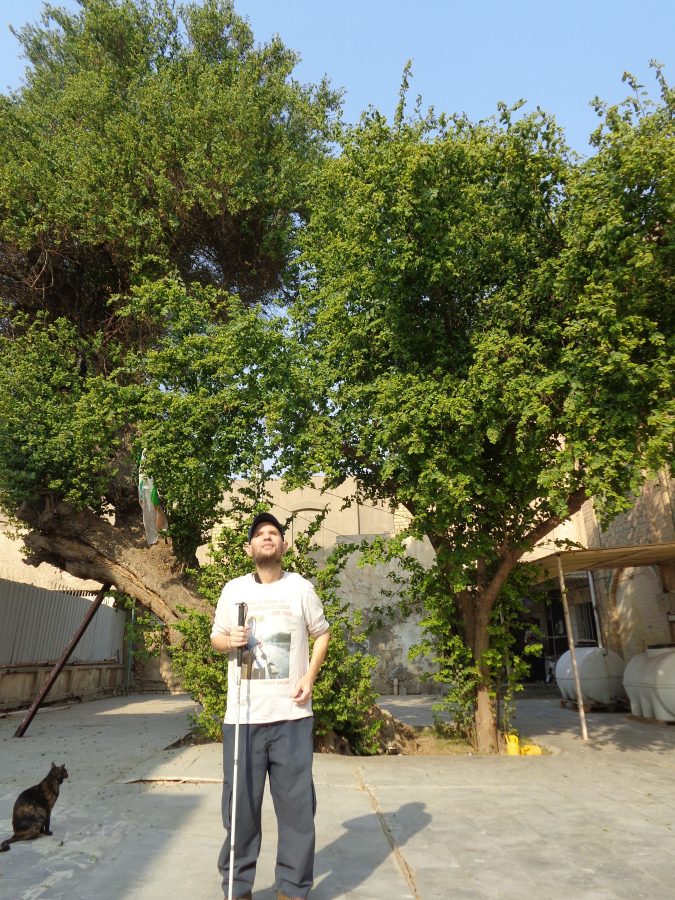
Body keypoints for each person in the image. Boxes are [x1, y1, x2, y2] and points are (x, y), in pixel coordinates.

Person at [210, 512, 331, 900]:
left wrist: (309, 678)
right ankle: (238, 888)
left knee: (297, 811)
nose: (267, 537)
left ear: (283, 546)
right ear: (249, 548)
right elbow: (216, 638)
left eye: (274, 533)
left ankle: (292, 890)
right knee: (240, 810)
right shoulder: (233, 591)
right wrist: (231, 642)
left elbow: (322, 633)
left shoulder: (301, 588)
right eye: (260, 534)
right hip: (243, 717)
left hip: (292, 718)